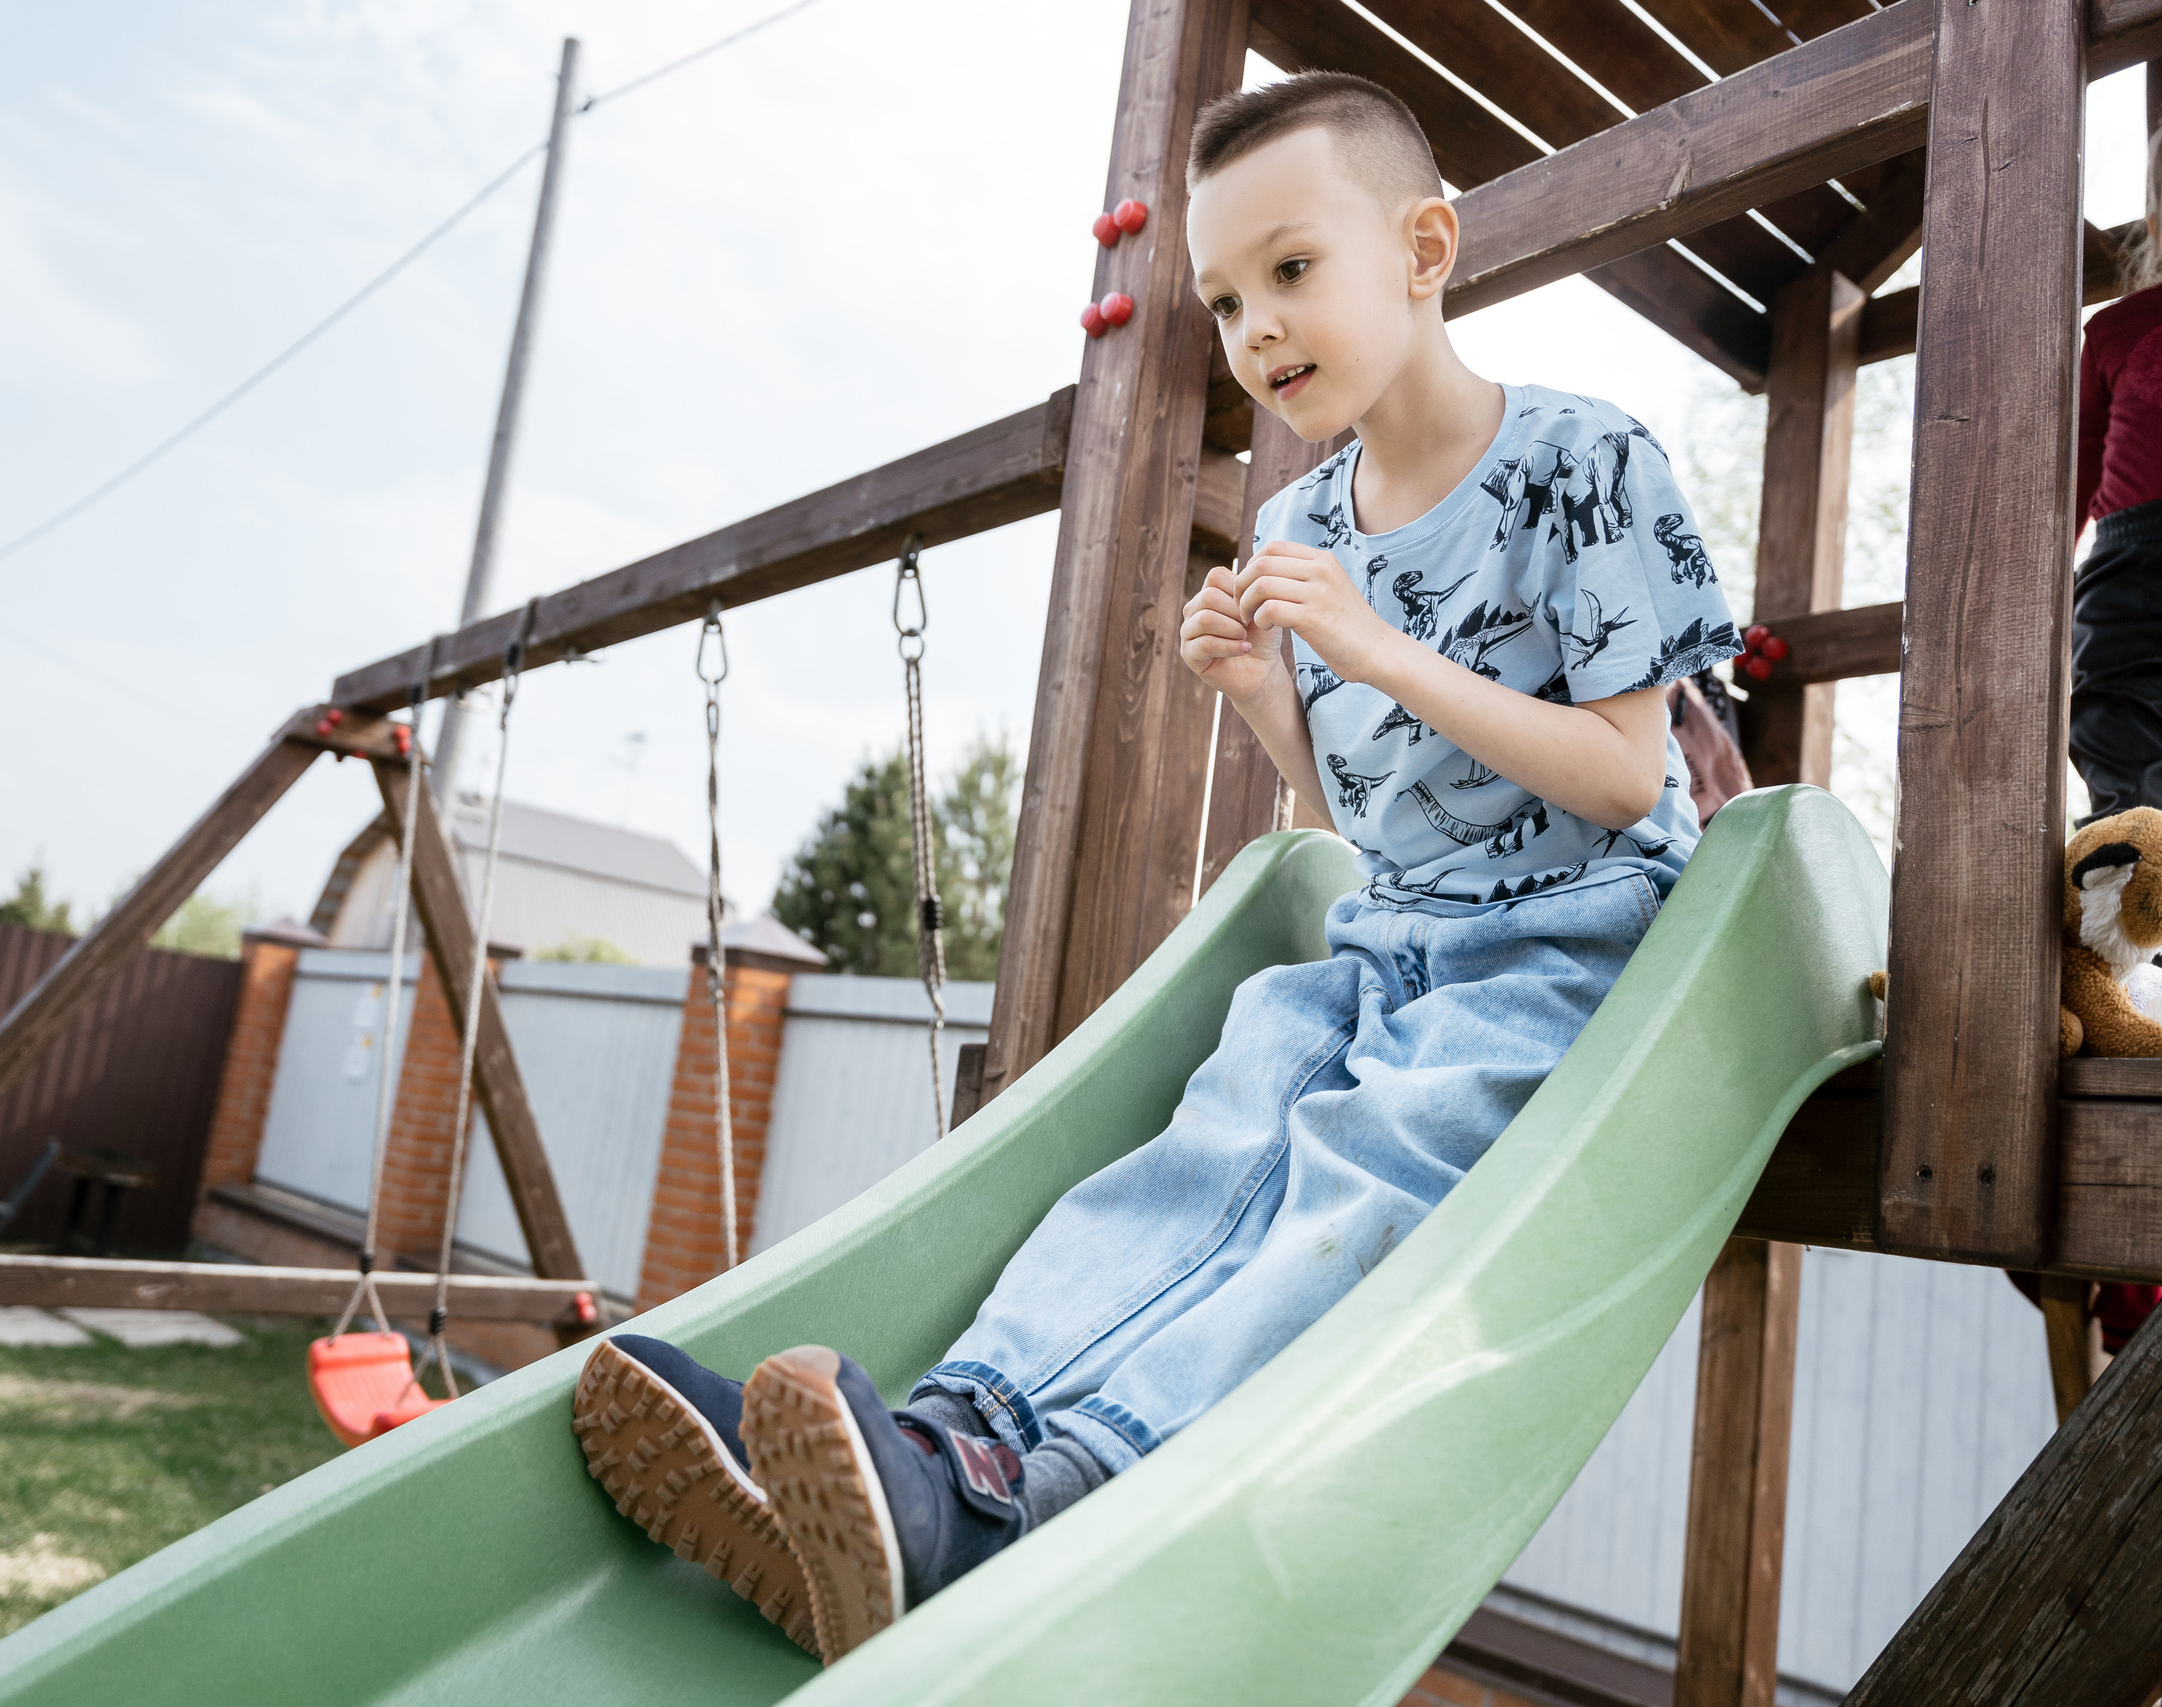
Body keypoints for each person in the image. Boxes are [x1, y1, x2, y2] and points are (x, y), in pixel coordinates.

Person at [569, 70, 1741, 1666]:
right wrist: (1273, 701)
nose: (1257, 326)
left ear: (1425, 247)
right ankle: (933, 1441)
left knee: (1342, 1182)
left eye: (1292, 269)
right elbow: (1371, 811)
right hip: (1387, 935)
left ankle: (1051, 1486)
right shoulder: (1312, 512)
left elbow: (1625, 775)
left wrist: (1375, 647)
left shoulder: (1586, 464)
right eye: (1226, 298)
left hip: (1571, 952)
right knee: (1206, 1143)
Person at [2071, 98, 2162, 831]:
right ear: (2154, 228)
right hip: (2135, 566)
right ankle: (2136, 896)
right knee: (2128, 734)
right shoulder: (2118, 327)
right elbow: (2076, 465)